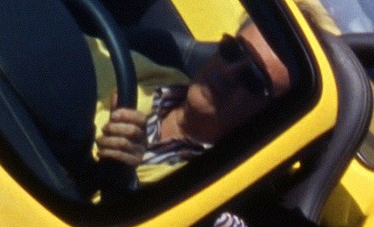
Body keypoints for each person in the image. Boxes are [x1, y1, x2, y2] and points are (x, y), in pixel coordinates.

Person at [96, 24, 289, 173]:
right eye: (232, 50)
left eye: (252, 78)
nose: (227, 72)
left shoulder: (213, 194)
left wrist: (124, 181)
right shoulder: (138, 71)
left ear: (267, 119)